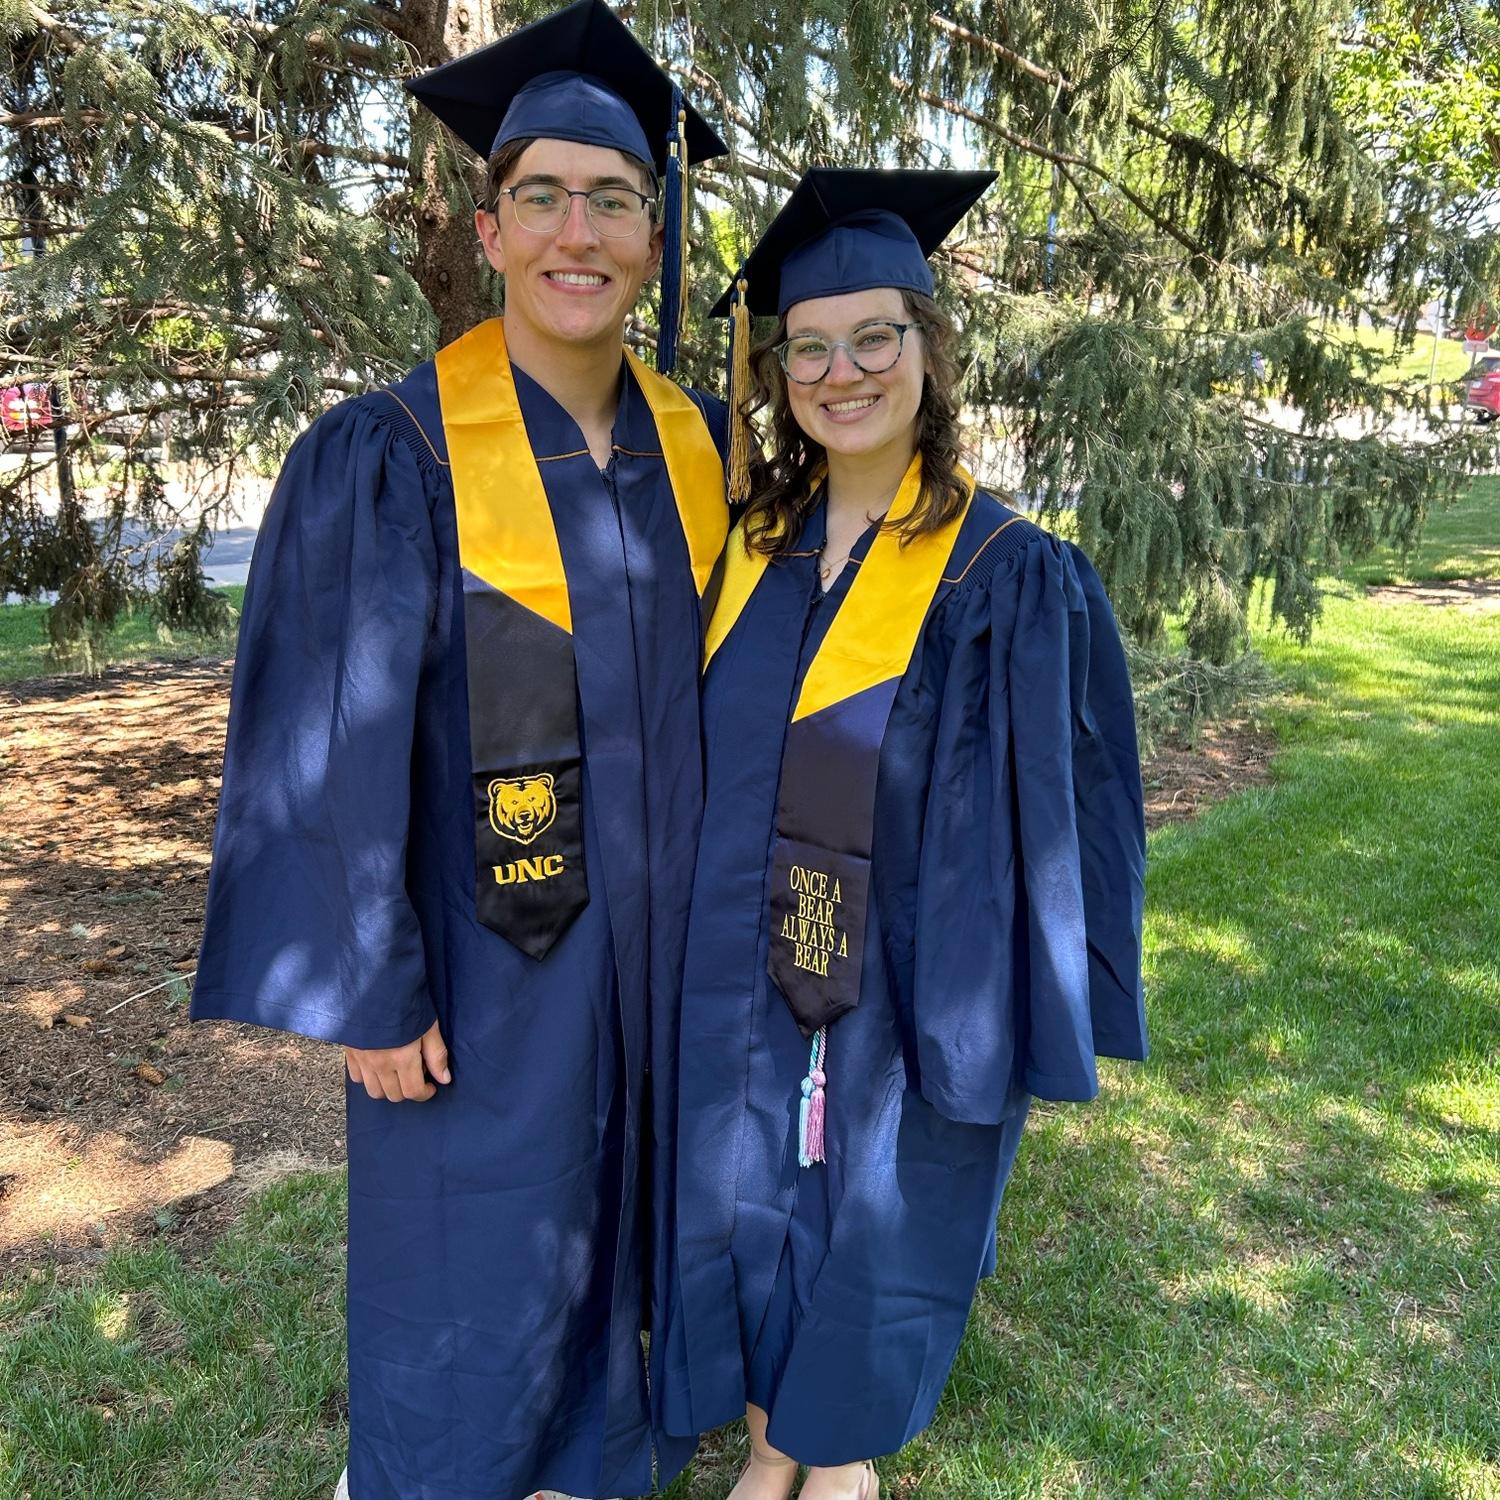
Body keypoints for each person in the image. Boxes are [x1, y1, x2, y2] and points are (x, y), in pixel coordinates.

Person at [190, 3, 732, 1496]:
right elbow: (330, 736)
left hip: (661, 948)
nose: (579, 231)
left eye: (613, 198)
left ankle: (595, 1459)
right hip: (487, 955)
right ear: (488, 233)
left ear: (654, 238)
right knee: (470, 1232)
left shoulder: (702, 446)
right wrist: (369, 986)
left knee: (622, 1206)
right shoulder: (395, 451)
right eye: (543, 195)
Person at [660, 169, 1149, 1499]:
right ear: (778, 375)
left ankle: (843, 1456)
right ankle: (771, 1441)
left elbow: (1066, 809)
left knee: (871, 1197)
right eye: (809, 348)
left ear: (929, 351)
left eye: (874, 338)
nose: (843, 373)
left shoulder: (1006, 572)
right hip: (737, 956)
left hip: (911, 966)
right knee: (743, 1188)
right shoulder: (746, 548)